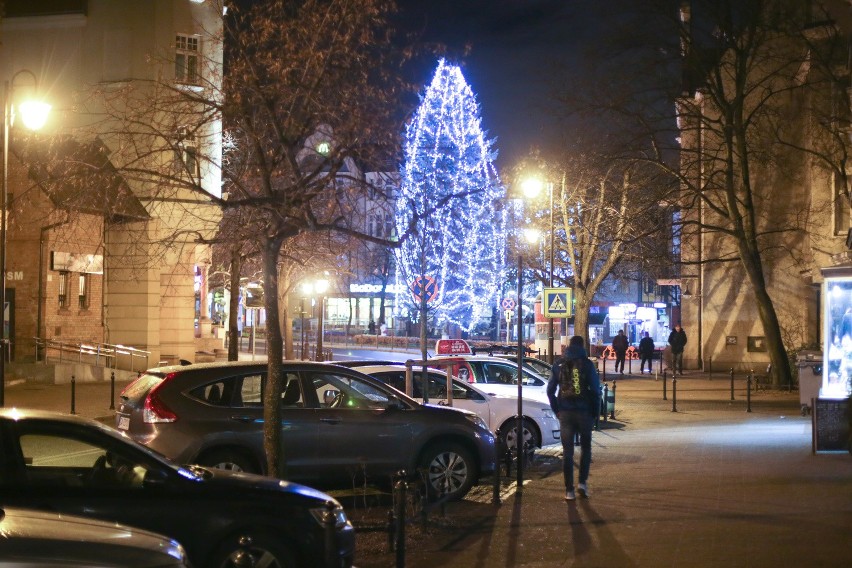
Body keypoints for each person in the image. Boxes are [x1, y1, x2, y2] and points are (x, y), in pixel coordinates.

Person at [547, 335, 601, 501]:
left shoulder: (558, 364)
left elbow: (550, 390)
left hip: (566, 414)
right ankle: (582, 483)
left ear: (569, 346)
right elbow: (596, 391)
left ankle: (569, 490)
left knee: (568, 452)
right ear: (583, 346)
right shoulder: (587, 364)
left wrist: (557, 410)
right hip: (584, 413)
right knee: (586, 449)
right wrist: (595, 414)